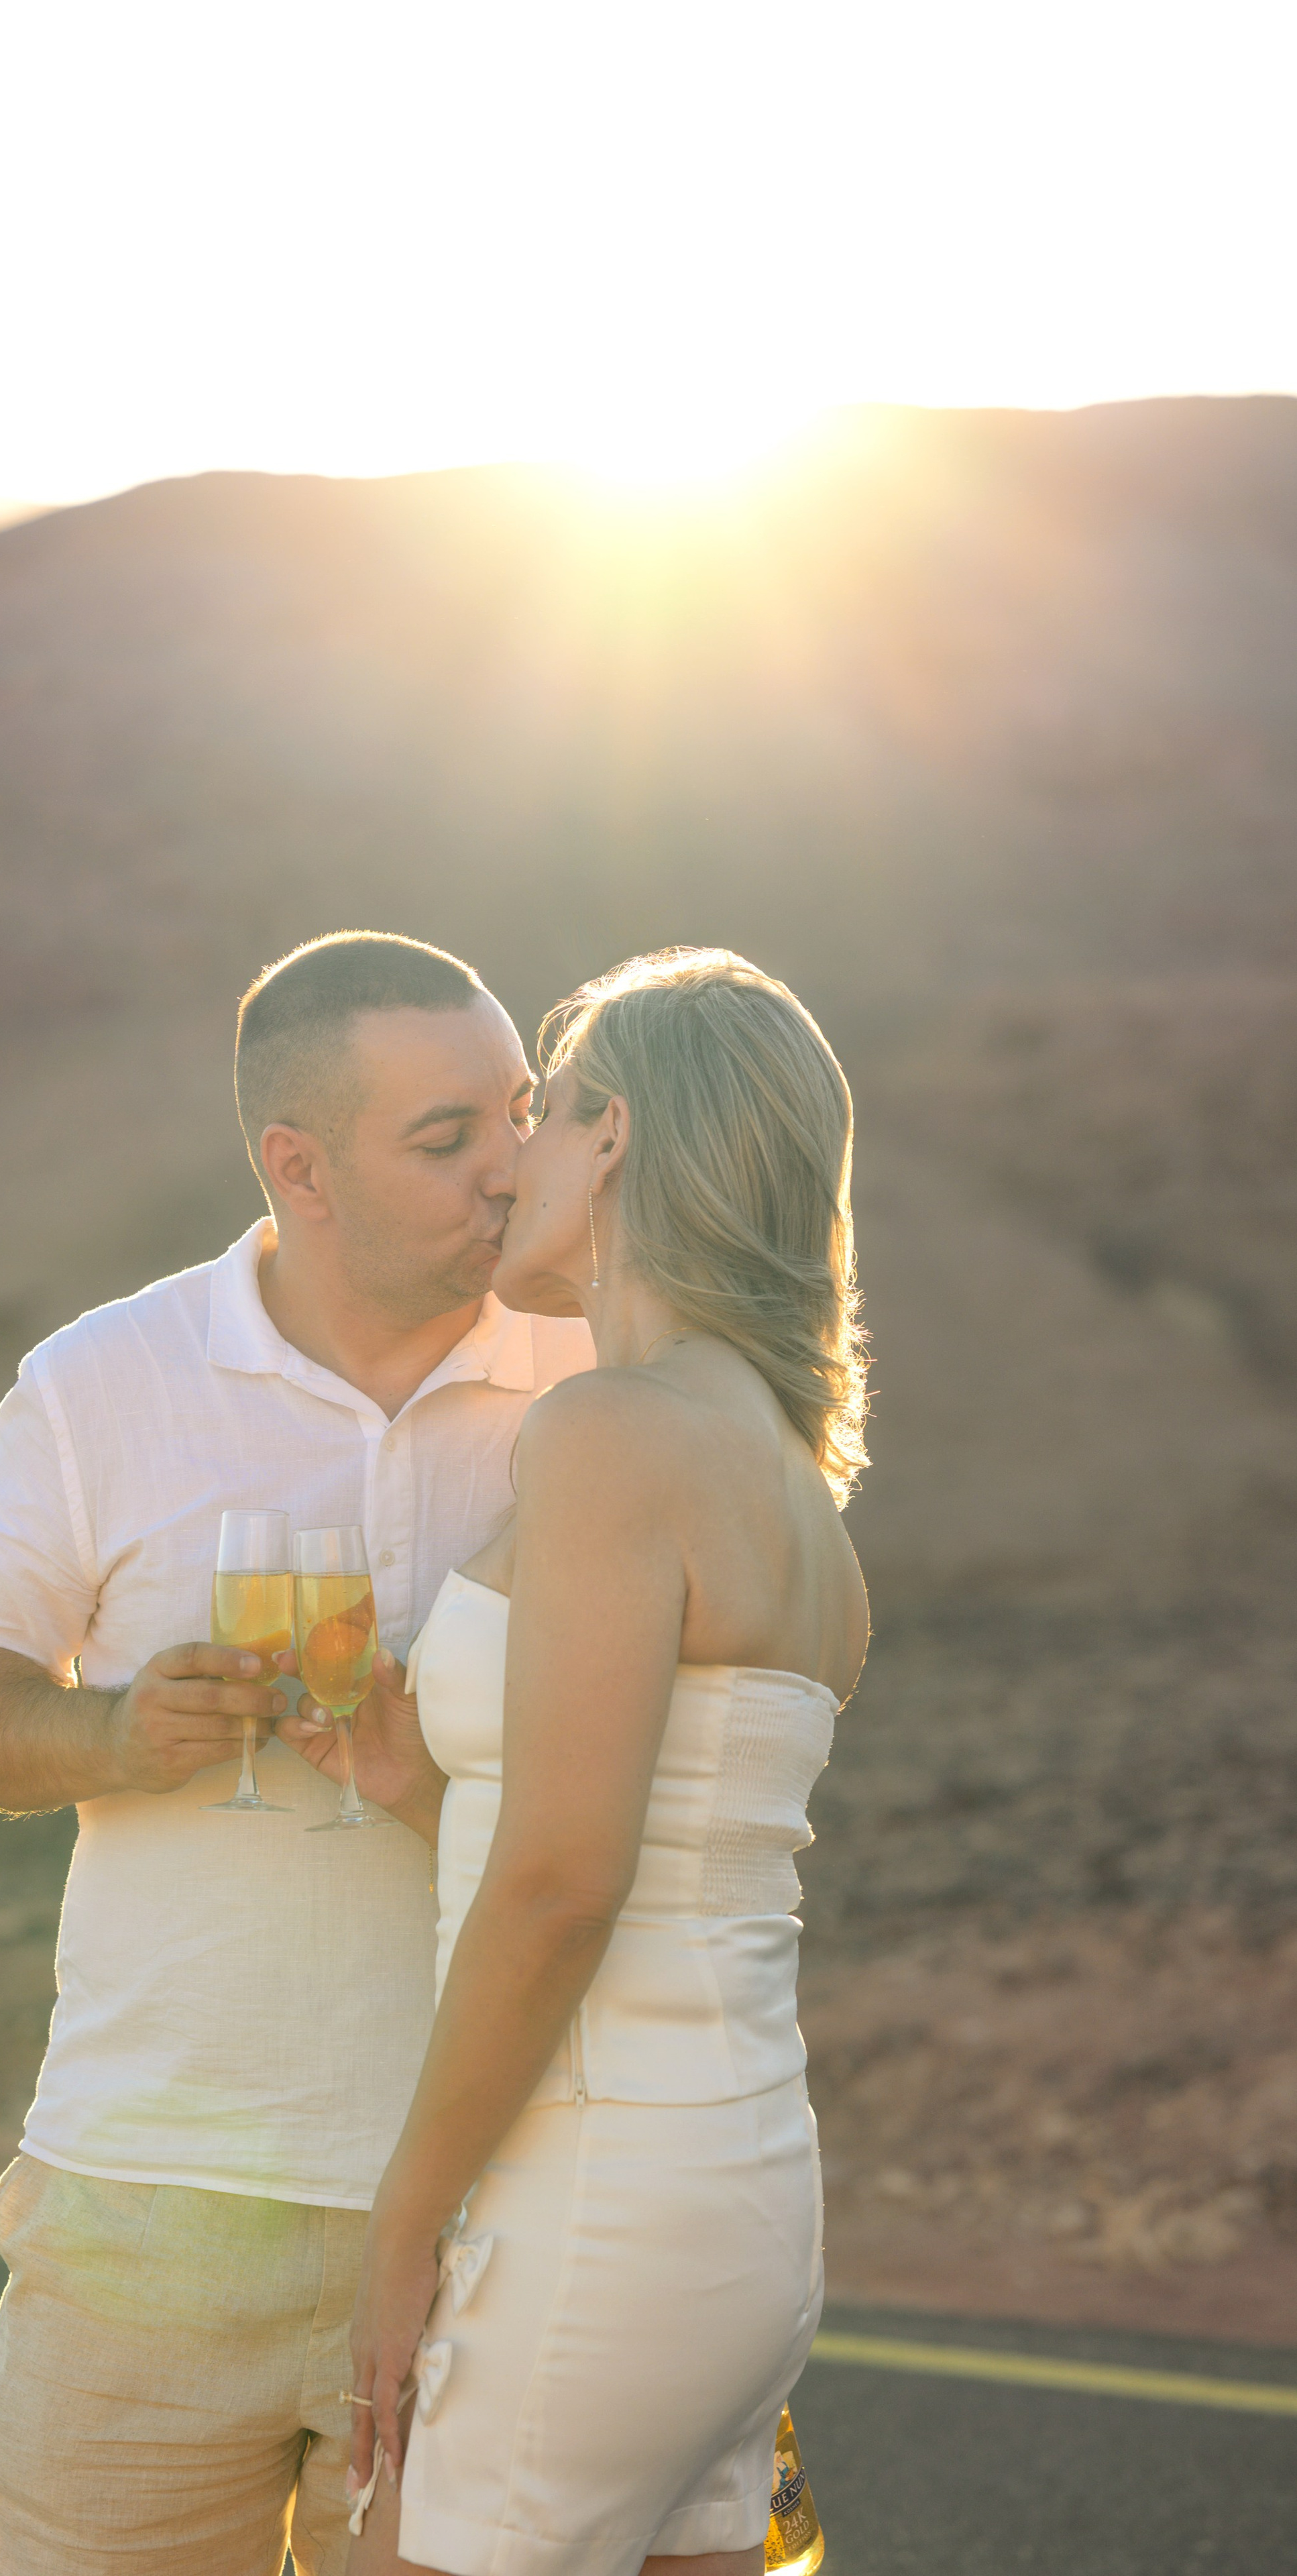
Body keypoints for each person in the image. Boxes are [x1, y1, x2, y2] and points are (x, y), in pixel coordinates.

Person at [0, 931, 594, 2576]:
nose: (507, 1171)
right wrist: (118, 1731)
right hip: (147, 2213)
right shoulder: (103, 1381)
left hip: (502, 2213)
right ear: (300, 1166)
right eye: (444, 1140)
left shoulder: (594, 1383)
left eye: (517, 1114)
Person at [280, 948, 870, 2576]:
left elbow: (560, 1887)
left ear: (612, 1142)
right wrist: (422, 1787)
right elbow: (669, 1844)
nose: (506, 1162)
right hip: (738, 2194)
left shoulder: (609, 1434)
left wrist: (403, 2236)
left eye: (537, 1115)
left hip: (594, 2196)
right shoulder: (785, 1485)